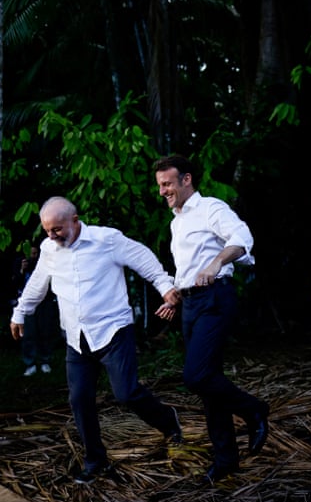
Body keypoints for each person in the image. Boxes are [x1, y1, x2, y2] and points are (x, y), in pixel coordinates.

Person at [10, 196, 183, 485]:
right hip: (76, 338)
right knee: (79, 400)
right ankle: (96, 461)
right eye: (47, 230)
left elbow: (142, 259)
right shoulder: (49, 249)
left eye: (58, 229)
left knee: (126, 393)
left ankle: (168, 421)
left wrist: (165, 286)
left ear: (75, 220)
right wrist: (20, 313)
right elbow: (38, 283)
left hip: (113, 331)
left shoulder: (107, 240)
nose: (52, 236)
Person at [153, 154, 270, 485]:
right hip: (190, 304)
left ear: (186, 180)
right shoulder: (177, 221)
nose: (163, 191)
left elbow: (242, 239)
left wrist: (217, 262)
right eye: (160, 185)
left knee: (196, 376)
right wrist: (176, 294)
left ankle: (254, 410)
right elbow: (189, 267)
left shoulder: (211, 208)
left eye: (168, 184)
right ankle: (226, 460)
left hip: (216, 298)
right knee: (208, 384)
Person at [11, 245, 59, 376]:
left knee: (46, 332)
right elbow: (15, 283)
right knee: (27, 334)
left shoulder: (43, 263)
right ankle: (30, 363)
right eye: (30, 253)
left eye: (35, 253)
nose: (33, 256)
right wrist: (21, 270)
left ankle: (45, 360)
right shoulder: (20, 264)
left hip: (45, 303)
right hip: (25, 305)